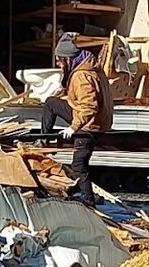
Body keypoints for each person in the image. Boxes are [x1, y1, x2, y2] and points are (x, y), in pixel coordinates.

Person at [37, 33, 112, 204]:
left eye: (59, 60)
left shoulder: (81, 76)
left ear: (67, 59)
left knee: (79, 166)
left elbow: (89, 106)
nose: (57, 64)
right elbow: (82, 98)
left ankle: (88, 201)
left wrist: (73, 128)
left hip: (90, 125)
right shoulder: (90, 68)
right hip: (95, 120)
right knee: (52, 103)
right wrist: (64, 95)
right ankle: (44, 140)